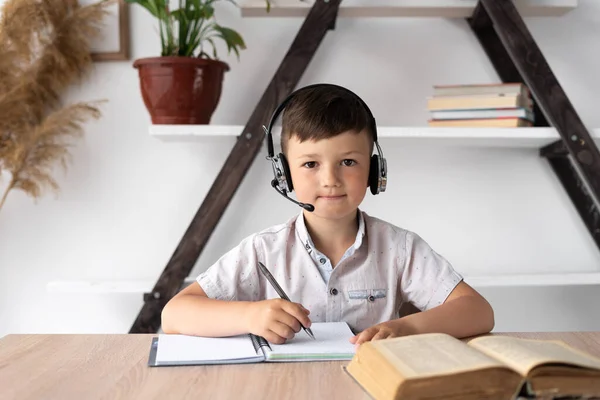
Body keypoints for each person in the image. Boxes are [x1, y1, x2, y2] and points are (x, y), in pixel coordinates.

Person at [161, 84, 495, 346]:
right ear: (285, 175)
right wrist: (249, 315)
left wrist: (406, 327)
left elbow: (478, 311)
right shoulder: (262, 251)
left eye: (348, 162)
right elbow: (174, 315)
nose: (330, 179)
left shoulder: (400, 248)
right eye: (310, 164)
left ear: (373, 169)